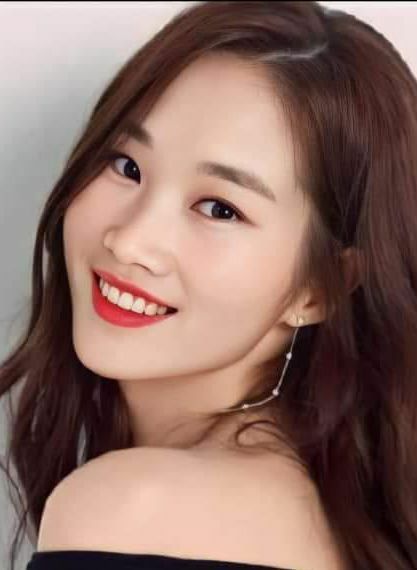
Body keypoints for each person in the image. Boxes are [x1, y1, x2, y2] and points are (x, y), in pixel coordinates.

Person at [0, 1, 416, 569]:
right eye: (126, 165)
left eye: (220, 208)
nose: (130, 241)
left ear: (320, 289)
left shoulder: (135, 512)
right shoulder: (323, 507)